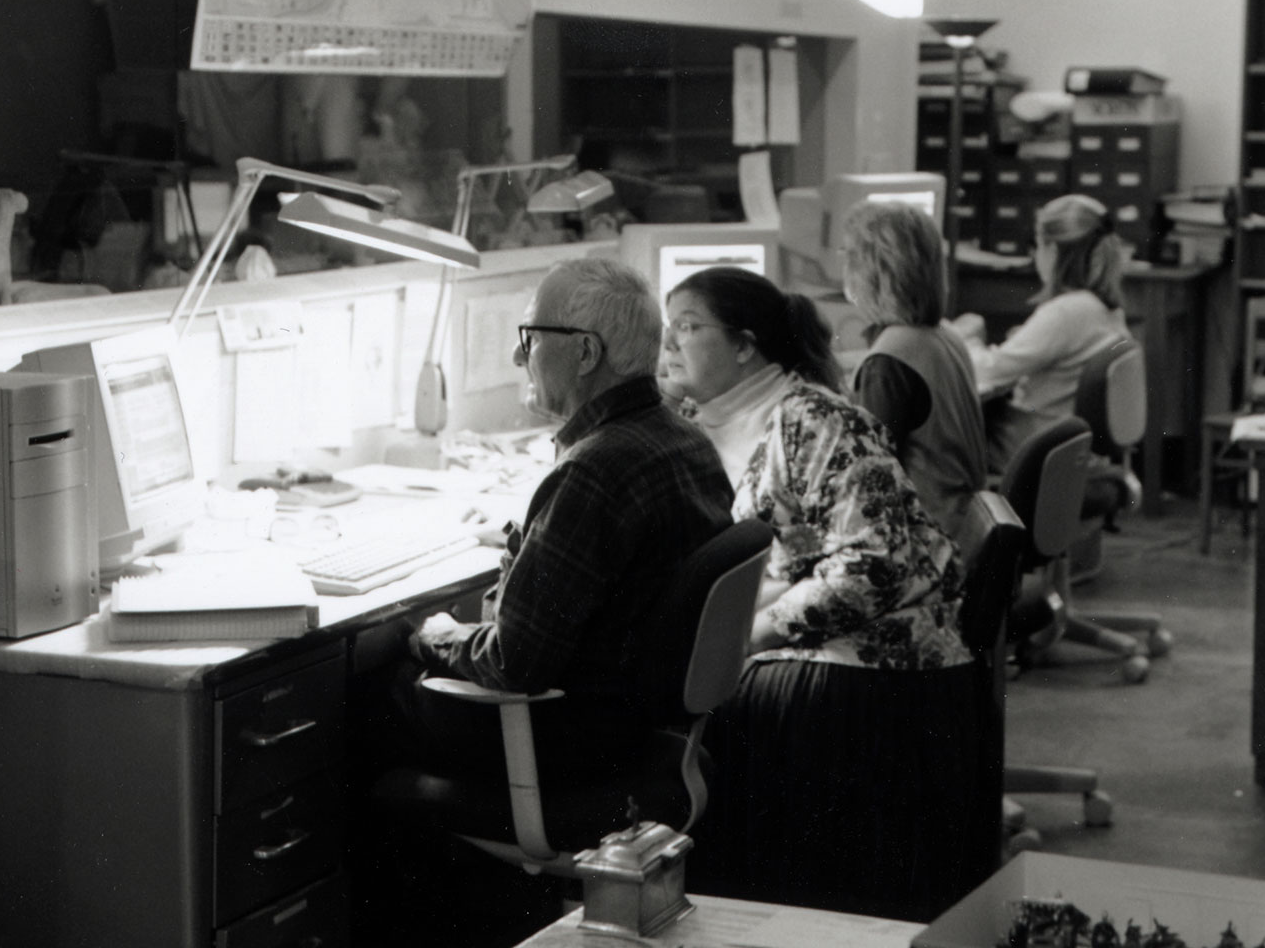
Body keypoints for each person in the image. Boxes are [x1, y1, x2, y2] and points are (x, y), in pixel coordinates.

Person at [658, 265, 986, 921]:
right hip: (826, 654)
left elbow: (873, 566)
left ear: (746, 345)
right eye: (665, 330)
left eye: (688, 329)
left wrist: (749, 637)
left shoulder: (810, 420)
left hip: (867, 670)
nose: (668, 346)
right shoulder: (717, 419)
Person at [398, 257, 734, 800]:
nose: (517, 355)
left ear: (585, 352)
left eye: (529, 337)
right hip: (638, 727)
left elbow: (512, 663)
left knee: (369, 691)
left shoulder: (592, 470)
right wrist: (525, 536)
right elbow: (627, 564)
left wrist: (435, 633)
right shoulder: (683, 438)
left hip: (575, 743)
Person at [838, 200, 987, 545]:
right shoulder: (944, 335)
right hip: (963, 528)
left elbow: (868, 483)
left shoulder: (889, 362)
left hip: (926, 544)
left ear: (873, 272)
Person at [955, 193, 1132, 472]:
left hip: (1031, 451)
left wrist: (965, 337)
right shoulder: (1104, 308)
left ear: (1053, 250)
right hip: (1072, 451)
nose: (1035, 255)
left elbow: (985, 371)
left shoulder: (1065, 312)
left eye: (1036, 245)